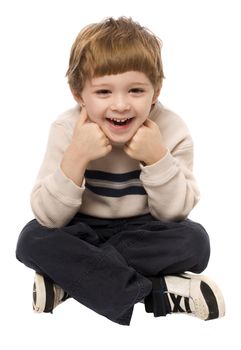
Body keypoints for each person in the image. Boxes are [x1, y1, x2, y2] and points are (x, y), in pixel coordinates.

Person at [16, 16, 225, 326]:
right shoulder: (66, 129)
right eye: (103, 92)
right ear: (79, 95)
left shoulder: (172, 129)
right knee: (32, 239)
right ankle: (156, 292)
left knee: (195, 241)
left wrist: (156, 158)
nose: (121, 105)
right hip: (81, 230)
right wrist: (77, 156)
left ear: (155, 92)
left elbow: (175, 214)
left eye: (136, 90)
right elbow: (50, 217)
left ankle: (71, 282)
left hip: (145, 230)